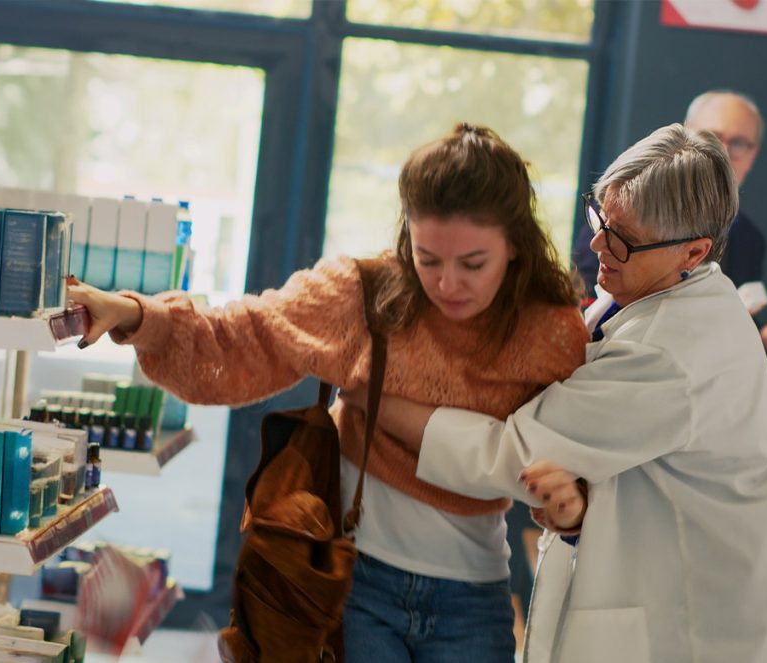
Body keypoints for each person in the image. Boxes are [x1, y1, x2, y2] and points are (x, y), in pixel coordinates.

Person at [68, 123, 591, 663]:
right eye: (427, 257)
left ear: (515, 244)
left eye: (473, 264)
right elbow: (241, 337)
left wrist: (570, 505)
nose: (447, 284)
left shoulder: (551, 330)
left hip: (474, 592)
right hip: (352, 582)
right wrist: (136, 314)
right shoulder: (363, 293)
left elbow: (579, 462)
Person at [350, 123, 767, 663]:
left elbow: (514, 452)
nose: (596, 246)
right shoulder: (647, 295)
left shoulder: (671, 353)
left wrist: (372, 397)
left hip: (694, 628)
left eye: (622, 240)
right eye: (600, 219)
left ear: (694, 250)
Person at [572, 90, 767, 355]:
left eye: (739, 143)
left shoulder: (749, 240)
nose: (724, 154)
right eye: (712, 138)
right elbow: (583, 298)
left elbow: (733, 329)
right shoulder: (616, 211)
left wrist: (762, 339)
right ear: (683, 138)